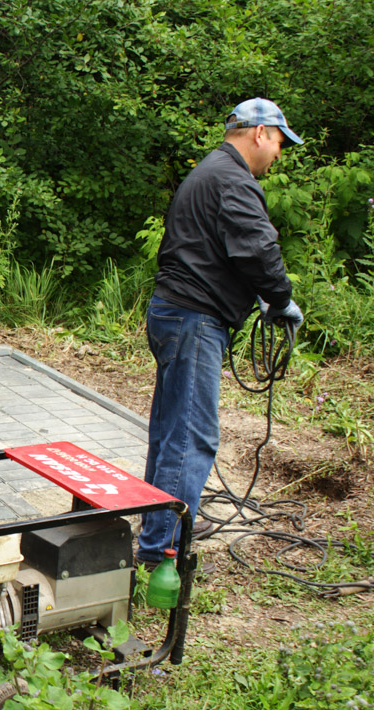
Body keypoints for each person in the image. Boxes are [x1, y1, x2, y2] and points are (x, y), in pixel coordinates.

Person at [138, 98, 305, 566]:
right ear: (259, 133)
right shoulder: (233, 178)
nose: (278, 154)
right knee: (192, 436)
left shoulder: (210, 170)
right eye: (278, 142)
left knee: (172, 431)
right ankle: (162, 552)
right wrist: (279, 298)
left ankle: (158, 528)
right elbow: (257, 248)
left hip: (177, 312)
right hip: (194, 319)